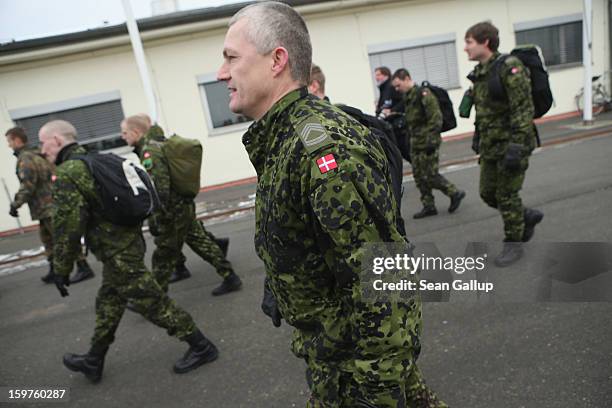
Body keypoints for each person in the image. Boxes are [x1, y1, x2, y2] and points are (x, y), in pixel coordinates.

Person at [218, 2, 446, 406]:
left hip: (353, 367)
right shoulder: (285, 138)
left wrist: (375, 393)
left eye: (231, 58)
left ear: (277, 60)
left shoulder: (321, 150)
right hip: (331, 350)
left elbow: (385, 274)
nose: (221, 73)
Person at [37, 119, 218, 382]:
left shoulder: (69, 173)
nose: (42, 150)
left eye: (43, 143)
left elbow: (68, 228)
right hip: (127, 245)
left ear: (56, 140)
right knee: (108, 302)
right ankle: (94, 359)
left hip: (118, 253)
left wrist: (61, 268)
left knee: (153, 303)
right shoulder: (97, 160)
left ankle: (202, 346)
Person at [120, 115, 240, 295]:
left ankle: (153, 297)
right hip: (181, 205)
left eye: (125, 132)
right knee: (199, 241)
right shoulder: (153, 145)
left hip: (173, 209)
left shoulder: (149, 151)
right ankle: (229, 276)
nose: (123, 137)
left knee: (164, 253)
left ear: (136, 132)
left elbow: (160, 187)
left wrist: (158, 215)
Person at [464, 21, 543, 266]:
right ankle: (525, 216)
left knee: (507, 195)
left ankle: (514, 243)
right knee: (487, 193)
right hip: (491, 145)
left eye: (469, 42)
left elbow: (523, 109)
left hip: (512, 143)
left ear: (485, 42)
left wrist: (517, 146)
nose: (465, 48)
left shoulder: (510, 67)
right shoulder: (480, 73)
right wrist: (478, 139)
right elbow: (483, 112)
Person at [5, 126, 94, 284]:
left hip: (47, 206)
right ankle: (54, 269)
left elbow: (28, 184)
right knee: (48, 239)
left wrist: (15, 204)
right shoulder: (38, 153)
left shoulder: (26, 158)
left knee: (61, 238)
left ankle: (83, 266)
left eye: (9, 141)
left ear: (17, 140)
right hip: (47, 206)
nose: (9, 145)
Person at [391, 69, 465, 219]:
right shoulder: (409, 97)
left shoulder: (423, 94)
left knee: (430, 174)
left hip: (428, 142)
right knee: (419, 175)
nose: (397, 89)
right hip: (415, 142)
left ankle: (454, 192)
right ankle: (429, 205)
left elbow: (436, 118)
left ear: (406, 79)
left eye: (398, 85)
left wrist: (430, 140)